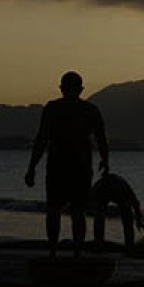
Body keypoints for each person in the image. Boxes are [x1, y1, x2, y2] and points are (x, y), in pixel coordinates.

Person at [24, 71, 109, 258]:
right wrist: (105, 160)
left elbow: (42, 140)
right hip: (80, 167)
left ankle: (53, 252)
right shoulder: (90, 110)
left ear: (62, 89)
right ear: (81, 89)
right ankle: (77, 253)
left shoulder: (53, 108)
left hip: (58, 166)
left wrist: (32, 168)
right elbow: (101, 139)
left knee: (54, 209)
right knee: (78, 211)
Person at [91, 172, 144, 252]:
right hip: (106, 188)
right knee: (100, 216)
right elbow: (135, 203)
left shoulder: (122, 188)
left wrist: (139, 220)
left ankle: (99, 244)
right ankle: (99, 244)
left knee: (101, 217)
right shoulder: (99, 189)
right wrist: (138, 220)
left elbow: (135, 203)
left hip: (114, 187)